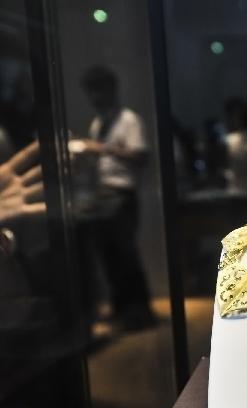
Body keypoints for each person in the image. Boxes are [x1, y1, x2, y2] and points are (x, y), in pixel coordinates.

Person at [79, 65, 155, 331]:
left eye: (99, 90)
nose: (95, 97)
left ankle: (139, 313)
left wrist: (102, 149)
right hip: (104, 194)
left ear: (112, 90)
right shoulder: (99, 123)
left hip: (122, 194)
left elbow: (141, 155)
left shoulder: (128, 120)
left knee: (125, 254)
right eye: (92, 92)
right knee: (109, 255)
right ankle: (123, 310)